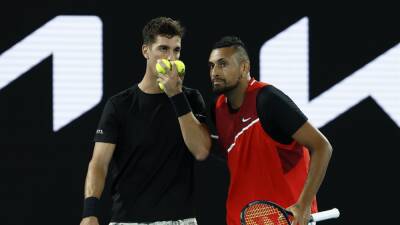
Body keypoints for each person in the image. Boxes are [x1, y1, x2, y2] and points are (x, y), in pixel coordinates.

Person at [79, 17, 211, 225]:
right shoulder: (119, 105)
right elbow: (98, 163)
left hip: (179, 220)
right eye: (163, 49)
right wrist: (90, 212)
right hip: (128, 220)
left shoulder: (191, 99)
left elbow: (201, 150)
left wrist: (176, 96)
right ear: (146, 51)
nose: (170, 58)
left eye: (176, 50)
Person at [208, 36, 333, 225]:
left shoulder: (268, 100)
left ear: (244, 67)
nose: (215, 72)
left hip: (287, 220)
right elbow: (237, 153)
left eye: (222, 64)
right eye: (212, 66)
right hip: (238, 220)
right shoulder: (218, 108)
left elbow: (322, 147)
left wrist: (304, 204)